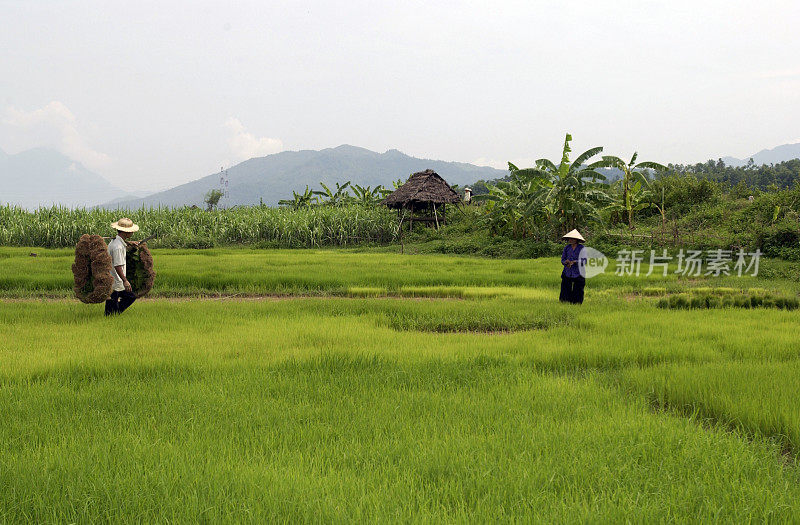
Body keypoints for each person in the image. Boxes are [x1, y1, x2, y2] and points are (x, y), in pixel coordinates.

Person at [105, 217, 140, 316]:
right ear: (125, 232)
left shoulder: (116, 241)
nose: (132, 233)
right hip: (116, 280)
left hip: (112, 279)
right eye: (131, 231)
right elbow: (117, 266)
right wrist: (125, 280)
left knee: (111, 304)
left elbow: (121, 244)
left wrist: (129, 243)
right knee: (130, 297)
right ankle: (114, 315)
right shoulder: (118, 247)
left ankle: (111, 316)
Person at [559, 229, 587, 304]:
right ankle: (565, 302)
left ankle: (576, 304)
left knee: (578, 289)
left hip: (578, 272)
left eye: (572, 239)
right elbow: (563, 259)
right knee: (565, 288)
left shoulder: (582, 248)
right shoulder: (567, 248)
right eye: (569, 238)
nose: (570, 240)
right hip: (567, 271)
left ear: (577, 240)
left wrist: (575, 262)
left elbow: (584, 260)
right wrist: (566, 262)